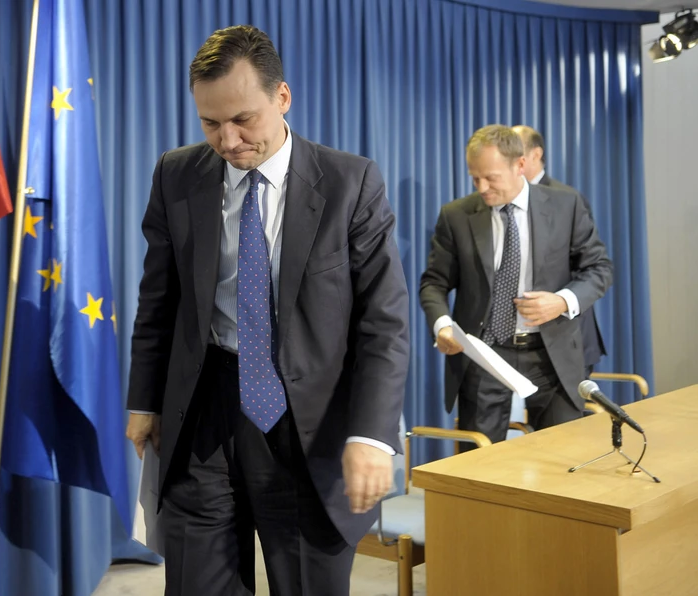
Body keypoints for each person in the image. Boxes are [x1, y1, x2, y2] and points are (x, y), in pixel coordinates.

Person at [125, 25, 409, 596]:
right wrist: (144, 400)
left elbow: (384, 321)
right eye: (210, 123)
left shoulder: (350, 182)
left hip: (308, 423)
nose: (228, 140)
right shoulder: (176, 174)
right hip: (204, 410)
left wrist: (372, 435)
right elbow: (159, 300)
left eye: (243, 119)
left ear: (282, 97)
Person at [419, 125, 612, 449]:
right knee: (478, 462)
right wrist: (442, 325)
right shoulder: (456, 216)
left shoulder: (565, 205)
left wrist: (563, 301)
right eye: (475, 178)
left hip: (552, 353)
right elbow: (434, 282)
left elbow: (599, 268)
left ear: (520, 165)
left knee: (562, 456)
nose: (482, 187)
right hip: (485, 353)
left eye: (491, 178)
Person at [512, 125, 609, 378]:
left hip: (565, 336)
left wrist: (561, 301)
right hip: (512, 344)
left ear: (536, 154)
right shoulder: (499, 202)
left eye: (516, 152)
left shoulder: (567, 199)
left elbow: (593, 267)